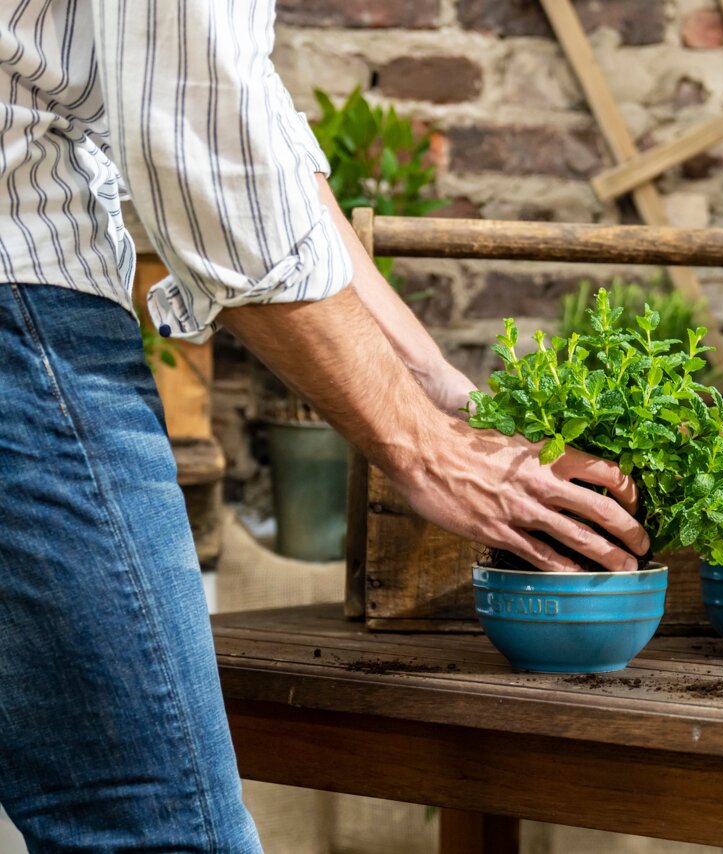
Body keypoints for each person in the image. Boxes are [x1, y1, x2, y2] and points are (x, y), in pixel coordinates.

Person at [0, 2, 649, 850]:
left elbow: (244, 116)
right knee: (165, 832)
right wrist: (423, 448)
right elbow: (203, 142)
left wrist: (437, 387)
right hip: (20, 307)